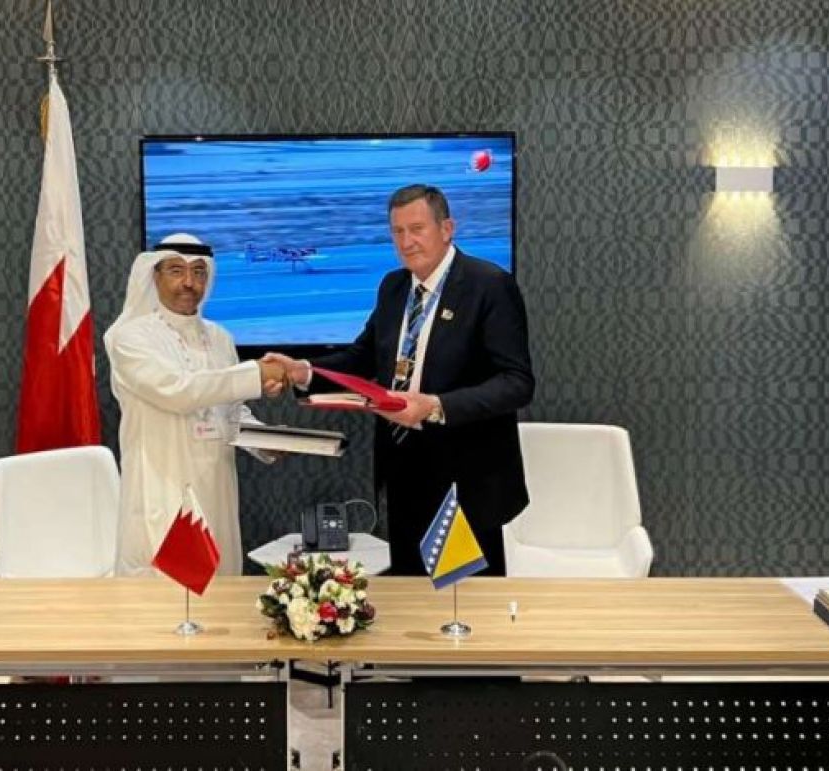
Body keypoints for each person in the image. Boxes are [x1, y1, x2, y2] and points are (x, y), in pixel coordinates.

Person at [267, 184, 534, 575]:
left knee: (465, 596)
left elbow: (517, 382)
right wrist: (304, 371)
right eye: (398, 231)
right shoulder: (393, 287)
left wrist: (436, 406)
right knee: (411, 592)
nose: (407, 242)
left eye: (417, 229)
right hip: (404, 470)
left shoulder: (488, 284)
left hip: (466, 478)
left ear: (447, 228)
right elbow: (362, 357)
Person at [106, 233, 287, 577]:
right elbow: (179, 392)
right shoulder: (130, 338)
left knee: (219, 592)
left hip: (215, 491)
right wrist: (256, 374)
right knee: (163, 596)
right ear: (155, 276)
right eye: (176, 271)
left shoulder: (220, 338)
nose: (189, 282)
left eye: (199, 272)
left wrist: (265, 442)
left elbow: (231, 411)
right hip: (162, 489)